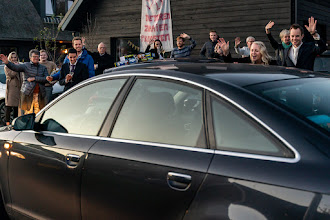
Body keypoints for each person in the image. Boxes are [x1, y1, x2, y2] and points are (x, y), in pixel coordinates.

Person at [0, 49, 48, 114]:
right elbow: (15, 68)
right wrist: (7, 63)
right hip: (27, 93)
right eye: (34, 56)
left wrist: (34, 78)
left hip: (40, 93)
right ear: (30, 57)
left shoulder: (43, 67)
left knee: (39, 113)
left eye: (37, 56)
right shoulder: (26, 65)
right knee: (27, 114)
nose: (36, 58)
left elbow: (46, 79)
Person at [4, 52, 22, 125]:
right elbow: (11, 75)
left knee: (16, 106)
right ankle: (7, 122)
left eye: (15, 57)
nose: (14, 59)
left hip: (19, 87)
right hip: (11, 87)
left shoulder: (19, 65)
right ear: (9, 58)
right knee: (9, 105)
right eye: (12, 57)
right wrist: (16, 67)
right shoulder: (6, 66)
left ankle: (15, 122)